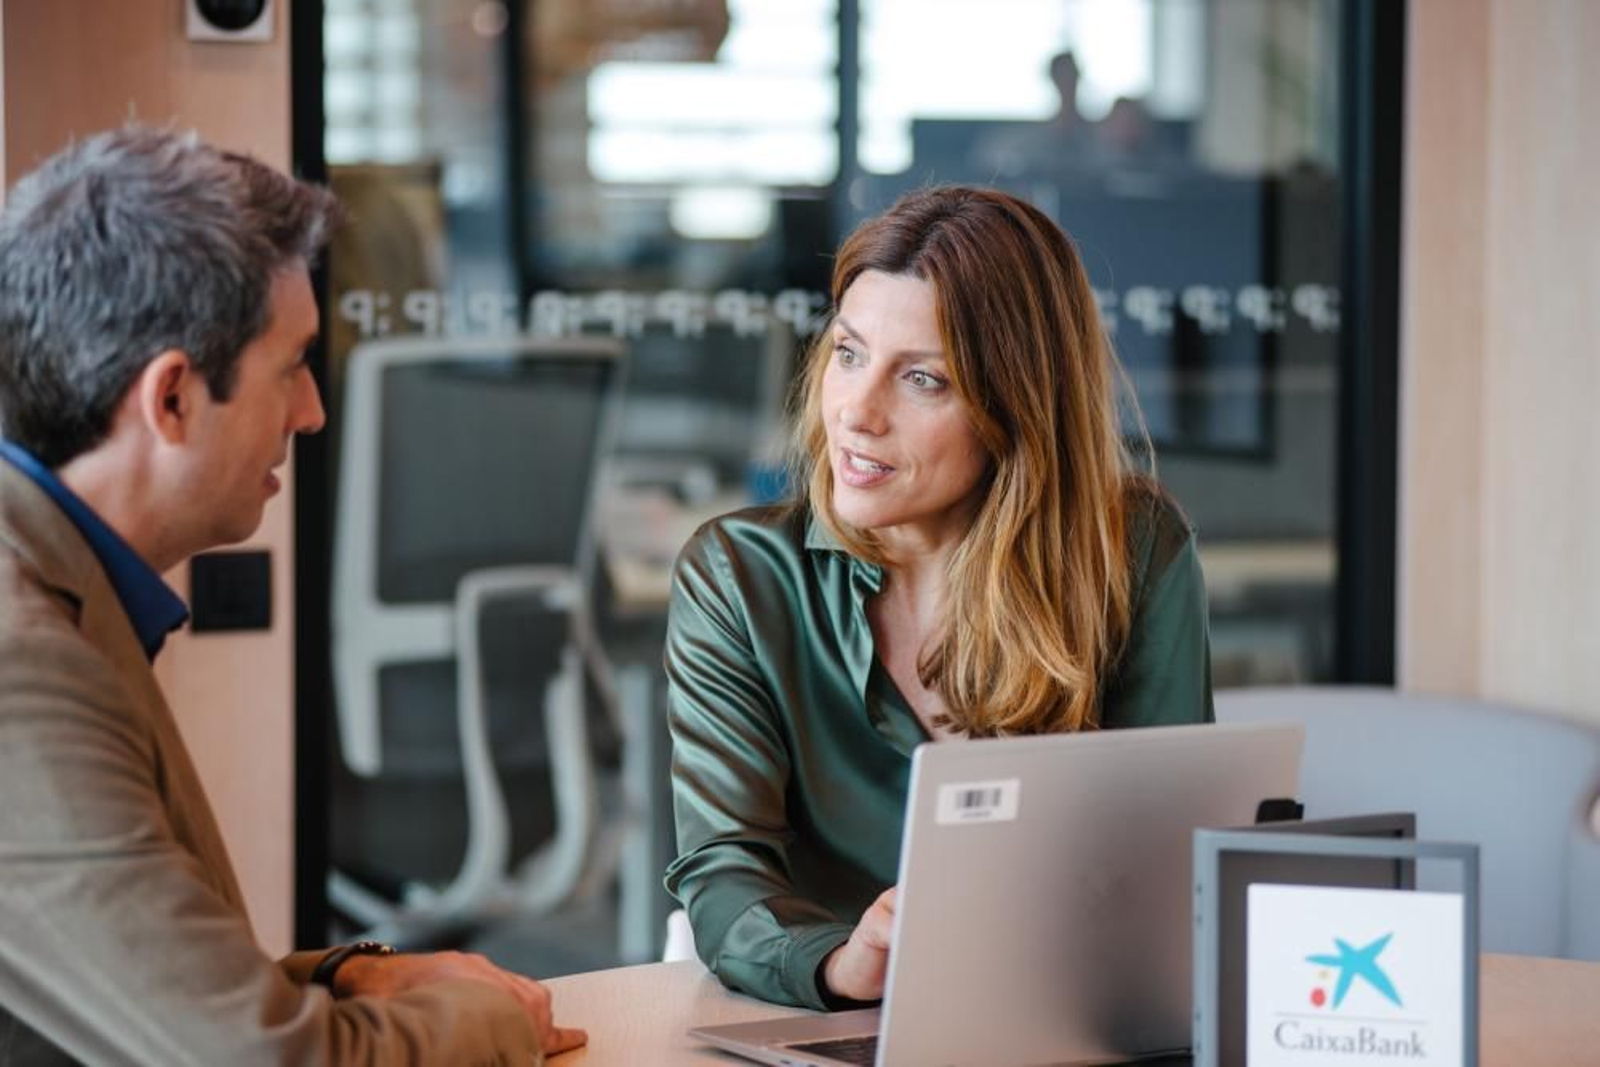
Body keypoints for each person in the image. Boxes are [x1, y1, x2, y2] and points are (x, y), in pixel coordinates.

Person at [0, 126, 586, 1064]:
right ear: (173, 400)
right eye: (292, 366)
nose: (313, 410)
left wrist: (347, 976)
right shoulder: (22, 662)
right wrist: (505, 1019)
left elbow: (124, 978)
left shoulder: (55, 580)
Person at [663, 185, 1213, 1011]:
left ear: (1016, 409)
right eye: (848, 354)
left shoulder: (1133, 554)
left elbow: (1175, 856)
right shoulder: (739, 576)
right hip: (827, 1026)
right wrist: (844, 961)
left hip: (1065, 1015)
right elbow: (723, 868)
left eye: (922, 379)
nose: (858, 411)